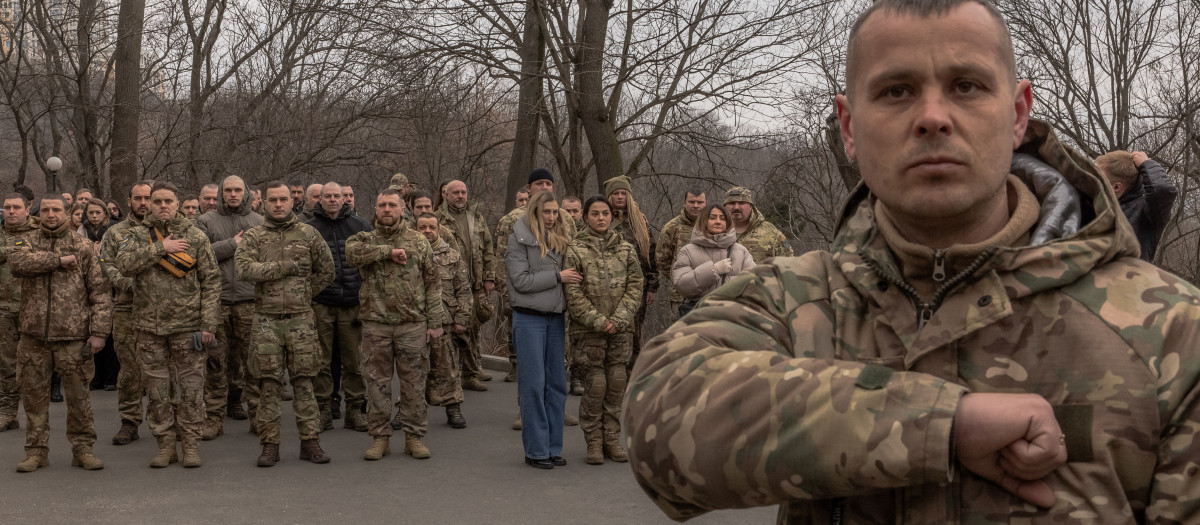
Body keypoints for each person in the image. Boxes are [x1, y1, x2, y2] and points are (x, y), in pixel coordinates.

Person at [625, 0, 1200, 521]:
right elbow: (658, 419)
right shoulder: (795, 299)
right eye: (896, 91)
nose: (933, 116)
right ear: (848, 127)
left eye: (967, 85)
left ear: (1019, 112)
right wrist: (942, 425)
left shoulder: (1171, 329)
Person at [116, 181, 220, 469]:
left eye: (168, 201)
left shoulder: (196, 237)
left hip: (188, 327)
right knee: (157, 391)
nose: (163, 206)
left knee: (190, 390)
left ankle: (190, 444)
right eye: (157, 201)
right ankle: (165, 446)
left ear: (178, 205)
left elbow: (211, 283)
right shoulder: (136, 235)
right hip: (149, 327)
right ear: (149, 204)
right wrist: (160, 248)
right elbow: (123, 264)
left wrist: (209, 323)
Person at [235, 181, 335, 467]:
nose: (278, 204)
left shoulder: (308, 233)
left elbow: (327, 271)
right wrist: (283, 268)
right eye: (273, 200)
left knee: (305, 383)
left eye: (283, 199)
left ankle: (310, 442)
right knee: (268, 385)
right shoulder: (254, 236)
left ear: (293, 202)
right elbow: (243, 270)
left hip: (301, 320)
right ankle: (270, 445)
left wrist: (304, 293)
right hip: (266, 321)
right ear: (263, 203)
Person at [10, 194, 111, 472]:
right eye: (45, 210)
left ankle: (83, 449)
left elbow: (100, 293)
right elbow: (17, 263)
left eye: (56, 209)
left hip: (73, 338)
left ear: (68, 212)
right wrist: (57, 260)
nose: (51, 214)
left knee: (79, 399)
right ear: (38, 213)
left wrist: (100, 331)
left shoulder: (83, 246)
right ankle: (36, 451)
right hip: (34, 338)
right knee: (33, 399)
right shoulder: (26, 239)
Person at [347, 189, 446, 461]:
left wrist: (435, 322)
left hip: (412, 323)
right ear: (376, 209)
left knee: (414, 383)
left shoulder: (418, 240)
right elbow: (351, 254)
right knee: (376, 384)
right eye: (382, 205)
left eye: (392, 204)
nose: (387, 209)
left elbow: (433, 283)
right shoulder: (365, 239)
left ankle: (414, 437)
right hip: (376, 323)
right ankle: (380, 437)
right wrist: (387, 252)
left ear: (403, 208)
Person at [564, 195, 643, 465]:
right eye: (595, 213)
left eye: (605, 213)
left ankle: (612, 439)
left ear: (613, 216)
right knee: (596, 386)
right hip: (589, 332)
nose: (601, 218)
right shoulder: (575, 250)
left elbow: (636, 286)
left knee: (617, 383)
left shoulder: (626, 249)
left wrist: (619, 320)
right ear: (585, 217)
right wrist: (599, 321)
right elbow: (573, 293)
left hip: (621, 329)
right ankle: (594, 443)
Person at [506, 191, 576, 469]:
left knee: (557, 385)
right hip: (529, 319)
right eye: (545, 212)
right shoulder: (518, 239)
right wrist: (558, 277)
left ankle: (552, 447)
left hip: (555, 319)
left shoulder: (562, 239)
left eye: (554, 212)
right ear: (534, 211)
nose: (550, 217)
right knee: (533, 386)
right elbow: (520, 281)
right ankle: (535, 450)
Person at [195, 175, 264, 439]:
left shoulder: (260, 222)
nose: (232, 194)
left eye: (237, 190)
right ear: (221, 193)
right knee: (215, 365)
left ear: (246, 192)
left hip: (250, 302)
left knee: (253, 364)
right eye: (228, 190)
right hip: (217, 302)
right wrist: (232, 244)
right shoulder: (206, 221)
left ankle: (258, 417)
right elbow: (196, 255)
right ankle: (213, 419)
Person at [306, 182, 370, 433]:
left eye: (337, 196)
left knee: (353, 361)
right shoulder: (309, 229)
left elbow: (369, 262)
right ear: (319, 200)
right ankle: (323, 410)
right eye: (328, 196)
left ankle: (355, 410)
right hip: (322, 303)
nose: (333, 200)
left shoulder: (360, 226)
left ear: (345, 199)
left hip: (352, 303)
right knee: (320, 361)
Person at [98, 181, 153, 446]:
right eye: (138, 198)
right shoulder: (116, 232)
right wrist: (129, 284)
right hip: (127, 308)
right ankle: (129, 422)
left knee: (162, 369)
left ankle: (163, 420)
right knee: (129, 370)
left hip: (163, 310)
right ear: (128, 201)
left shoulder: (169, 230)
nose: (144, 203)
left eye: (148, 198)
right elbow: (106, 264)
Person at [435, 180, 496, 391]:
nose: (460, 196)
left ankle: (470, 374)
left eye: (463, 192)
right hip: (448, 285)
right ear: (446, 195)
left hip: (475, 282)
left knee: (472, 327)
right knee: (451, 331)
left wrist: (489, 277)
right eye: (456, 193)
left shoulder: (475, 217)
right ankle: (446, 377)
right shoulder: (436, 220)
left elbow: (488, 247)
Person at [415, 212, 471, 429]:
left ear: (438, 230)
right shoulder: (409, 254)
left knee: (448, 368)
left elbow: (464, 291)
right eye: (422, 227)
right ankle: (407, 410)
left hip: (445, 321)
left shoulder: (453, 257)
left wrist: (462, 318)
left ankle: (453, 408)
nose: (427, 231)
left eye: (431, 227)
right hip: (415, 321)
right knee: (413, 369)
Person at [602, 176, 655, 371]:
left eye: (624, 193)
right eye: (616, 193)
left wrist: (652, 286)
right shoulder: (602, 219)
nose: (620, 197)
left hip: (636, 288)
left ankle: (632, 373)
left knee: (634, 331)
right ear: (609, 196)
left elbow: (651, 255)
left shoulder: (640, 221)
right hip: (608, 286)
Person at [670, 204, 754, 317]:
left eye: (722, 218)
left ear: (728, 222)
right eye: (712, 218)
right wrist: (713, 270)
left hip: (732, 319)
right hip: (699, 318)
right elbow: (682, 286)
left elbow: (755, 285)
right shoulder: (688, 251)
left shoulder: (740, 251)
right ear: (703, 221)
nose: (718, 221)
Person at [1094, 149, 1178, 262]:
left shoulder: (1145, 213)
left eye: (1098, 178)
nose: (1092, 180)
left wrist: (1147, 163)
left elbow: (1163, 190)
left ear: (1116, 187)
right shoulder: (1098, 206)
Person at [0, 193, 37, 432]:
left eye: (16, 207)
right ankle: (7, 412)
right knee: (6, 364)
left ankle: (36, 418)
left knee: (35, 364)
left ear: (27, 209)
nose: (11, 211)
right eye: (7, 208)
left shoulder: (39, 233)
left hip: (33, 307)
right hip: (4, 308)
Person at [80, 198, 119, 392]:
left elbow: (116, 258)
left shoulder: (112, 231)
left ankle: (110, 377)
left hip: (110, 286)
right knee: (92, 332)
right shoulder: (82, 231)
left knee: (109, 334)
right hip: (88, 286)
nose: (94, 216)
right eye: (90, 213)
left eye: (98, 212)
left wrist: (99, 255)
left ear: (105, 213)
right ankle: (95, 377)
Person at [655, 187, 707, 318]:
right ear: (684, 203)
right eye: (691, 202)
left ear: (706, 204)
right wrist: (680, 278)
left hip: (709, 294)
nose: (695, 206)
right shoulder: (672, 227)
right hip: (681, 296)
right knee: (681, 335)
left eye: (700, 202)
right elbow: (662, 260)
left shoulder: (713, 225)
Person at [721, 186, 793, 264]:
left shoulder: (770, 232)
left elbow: (789, 262)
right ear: (724, 207)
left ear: (751, 206)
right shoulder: (716, 231)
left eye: (742, 203)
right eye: (732, 203)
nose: (736, 207)